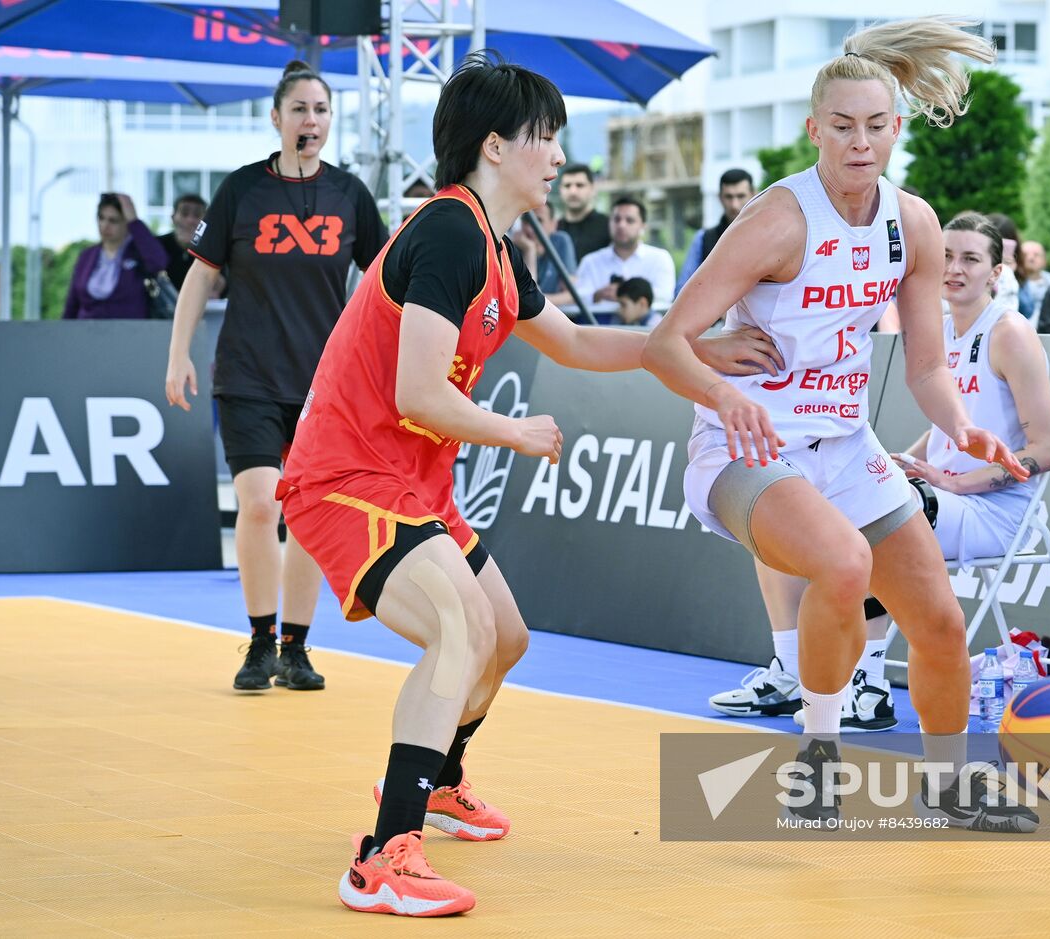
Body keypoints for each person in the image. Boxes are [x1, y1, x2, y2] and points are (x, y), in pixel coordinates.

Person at [274, 53, 785, 917]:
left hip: (411, 481)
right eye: (545, 138)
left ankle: (438, 779)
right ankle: (383, 855)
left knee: (504, 637)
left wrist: (692, 348)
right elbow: (417, 392)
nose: (557, 156)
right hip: (347, 476)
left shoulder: (499, 251)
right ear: (497, 145)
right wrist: (515, 430)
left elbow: (581, 345)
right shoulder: (444, 231)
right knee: (459, 630)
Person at [644, 16, 1038, 832]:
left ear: (896, 128)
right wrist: (724, 384)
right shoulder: (779, 221)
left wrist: (963, 429)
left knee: (939, 624)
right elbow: (664, 346)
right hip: (744, 447)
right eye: (843, 127)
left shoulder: (915, 222)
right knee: (842, 564)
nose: (860, 142)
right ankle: (815, 768)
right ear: (815, 129)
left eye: (875, 126)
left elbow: (927, 368)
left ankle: (949, 789)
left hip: (845, 444)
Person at [710, 214, 1050, 735]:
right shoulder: (940, 330)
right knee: (791, 503)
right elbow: (945, 433)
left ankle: (869, 686)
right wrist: (903, 457)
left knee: (870, 518)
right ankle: (789, 669)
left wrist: (957, 481)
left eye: (970, 259)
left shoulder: (1008, 333)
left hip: (996, 510)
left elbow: (1048, 449)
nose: (953, 268)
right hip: (942, 493)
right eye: (945, 256)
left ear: (996, 272)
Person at [164, 60, 388, 693]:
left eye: (319, 110)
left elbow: (381, 286)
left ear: (329, 120)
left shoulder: (350, 195)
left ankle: (297, 647)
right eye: (298, 110)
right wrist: (178, 352)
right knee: (261, 507)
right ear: (276, 118)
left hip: (324, 384)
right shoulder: (241, 190)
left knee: (309, 516)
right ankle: (260, 642)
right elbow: (201, 275)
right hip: (247, 375)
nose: (309, 120)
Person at [557, 196, 675, 317]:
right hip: (598, 328)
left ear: (643, 227)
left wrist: (626, 294)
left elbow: (665, 296)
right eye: (616, 219)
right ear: (609, 223)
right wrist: (597, 295)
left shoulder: (660, 258)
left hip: (647, 329)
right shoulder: (591, 261)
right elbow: (576, 297)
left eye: (630, 220)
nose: (621, 225)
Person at [63, 193, 169, 320]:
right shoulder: (87, 256)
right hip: (87, 332)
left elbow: (158, 262)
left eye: (113, 220)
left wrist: (135, 222)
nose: (105, 225)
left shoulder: (138, 252)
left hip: (128, 332)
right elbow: (72, 304)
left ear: (126, 222)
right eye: (101, 218)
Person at [676, 168, 755, 293]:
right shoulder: (703, 238)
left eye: (741, 196)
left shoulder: (767, 236)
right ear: (720, 198)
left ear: (753, 195)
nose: (734, 204)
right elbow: (683, 290)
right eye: (729, 197)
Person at [160, 193, 224, 298]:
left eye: (197, 215)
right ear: (173, 217)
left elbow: (220, 285)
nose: (190, 220)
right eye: (184, 214)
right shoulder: (158, 244)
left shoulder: (215, 248)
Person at [509, 199, 575, 294]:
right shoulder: (511, 247)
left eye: (539, 221)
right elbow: (528, 295)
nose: (530, 229)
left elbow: (571, 294)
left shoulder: (561, 241)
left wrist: (541, 301)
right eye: (526, 221)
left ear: (553, 225)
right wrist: (529, 251)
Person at [556, 162, 610, 261]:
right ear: (560, 190)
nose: (573, 192)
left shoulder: (609, 227)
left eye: (579, 185)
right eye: (567, 186)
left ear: (593, 188)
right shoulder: (554, 228)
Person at [1016, 239, 1050, 322]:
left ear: (1045, 261)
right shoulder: (1013, 282)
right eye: (1025, 254)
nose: (1031, 258)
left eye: (1036, 255)